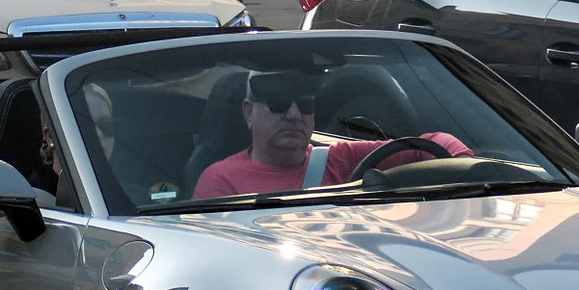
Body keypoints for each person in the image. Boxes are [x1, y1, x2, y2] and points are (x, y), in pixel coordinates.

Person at [193, 71, 472, 199]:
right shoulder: (220, 181)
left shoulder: (341, 158)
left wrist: (469, 172)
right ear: (249, 113)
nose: (293, 115)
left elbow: (434, 144)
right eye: (278, 103)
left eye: (305, 104)